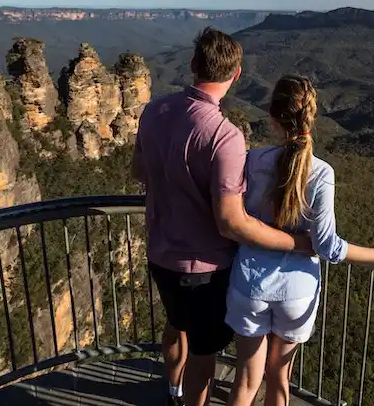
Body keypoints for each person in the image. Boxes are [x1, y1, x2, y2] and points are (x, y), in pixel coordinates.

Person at [132, 28, 313, 406]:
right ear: (236, 75)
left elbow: (138, 171)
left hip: (158, 253)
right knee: (202, 355)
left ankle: (171, 391)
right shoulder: (224, 135)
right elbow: (231, 222)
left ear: (194, 64)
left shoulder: (153, 110)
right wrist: (297, 244)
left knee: (175, 326)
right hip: (203, 270)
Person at [225, 74, 374, 406]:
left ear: (272, 116)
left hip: (249, 285)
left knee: (245, 380)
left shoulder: (253, 161)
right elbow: (328, 246)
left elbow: (239, 218)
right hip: (295, 293)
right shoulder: (321, 173)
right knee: (279, 380)